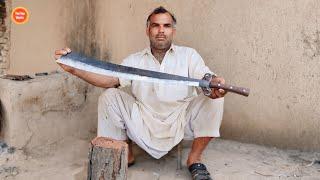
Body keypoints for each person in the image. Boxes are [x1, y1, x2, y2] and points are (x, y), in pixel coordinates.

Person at [55, 6, 226, 180]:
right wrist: (75, 70)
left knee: (216, 101)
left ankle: (194, 159)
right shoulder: (134, 60)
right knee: (109, 96)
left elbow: (205, 77)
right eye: (155, 25)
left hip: (180, 118)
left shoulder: (189, 55)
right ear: (148, 30)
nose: (161, 31)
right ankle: (123, 155)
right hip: (143, 120)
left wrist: (214, 85)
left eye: (166, 26)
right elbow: (109, 80)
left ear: (173, 31)